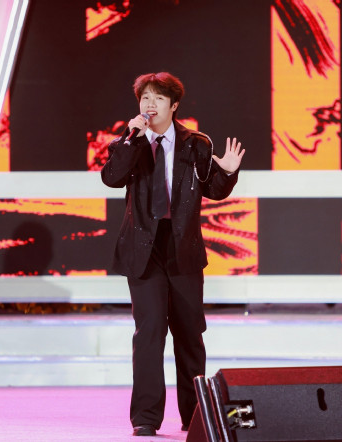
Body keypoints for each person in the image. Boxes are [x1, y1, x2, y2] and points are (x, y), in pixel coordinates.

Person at [101, 72, 245, 437]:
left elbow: (213, 189)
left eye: (158, 99)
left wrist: (228, 173)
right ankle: (146, 418)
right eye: (145, 98)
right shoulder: (129, 142)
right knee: (148, 332)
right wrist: (131, 139)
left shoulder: (196, 143)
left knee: (189, 333)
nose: (150, 105)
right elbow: (111, 177)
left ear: (174, 105)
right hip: (143, 249)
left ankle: (194, 414)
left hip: (182, 247)